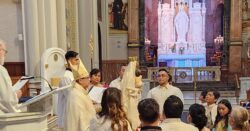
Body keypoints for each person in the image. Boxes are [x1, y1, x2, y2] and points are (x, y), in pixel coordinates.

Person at [63, 59, 96, 131]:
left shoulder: (80, 92)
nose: (89, 80)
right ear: (80, 80)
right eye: (87, 78)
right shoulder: (76, 96)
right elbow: (82, 123)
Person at [57, 50, 79, 128]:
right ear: (69, 61)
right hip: (67, 110)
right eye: (75, 59)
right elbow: (70, 95)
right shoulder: (66, 76)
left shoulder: (73, 74)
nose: (77, 61)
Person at [0, 39, 22, 114]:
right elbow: (7, 100)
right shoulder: (1, 70)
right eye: (4, 51)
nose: (5, 54)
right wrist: (16, 95)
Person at [121, 57, 143, 130]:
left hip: (136, 99)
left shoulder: (137, 74)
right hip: (130, 100)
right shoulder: (129, 76)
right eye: (136, 65)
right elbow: (133, 87)